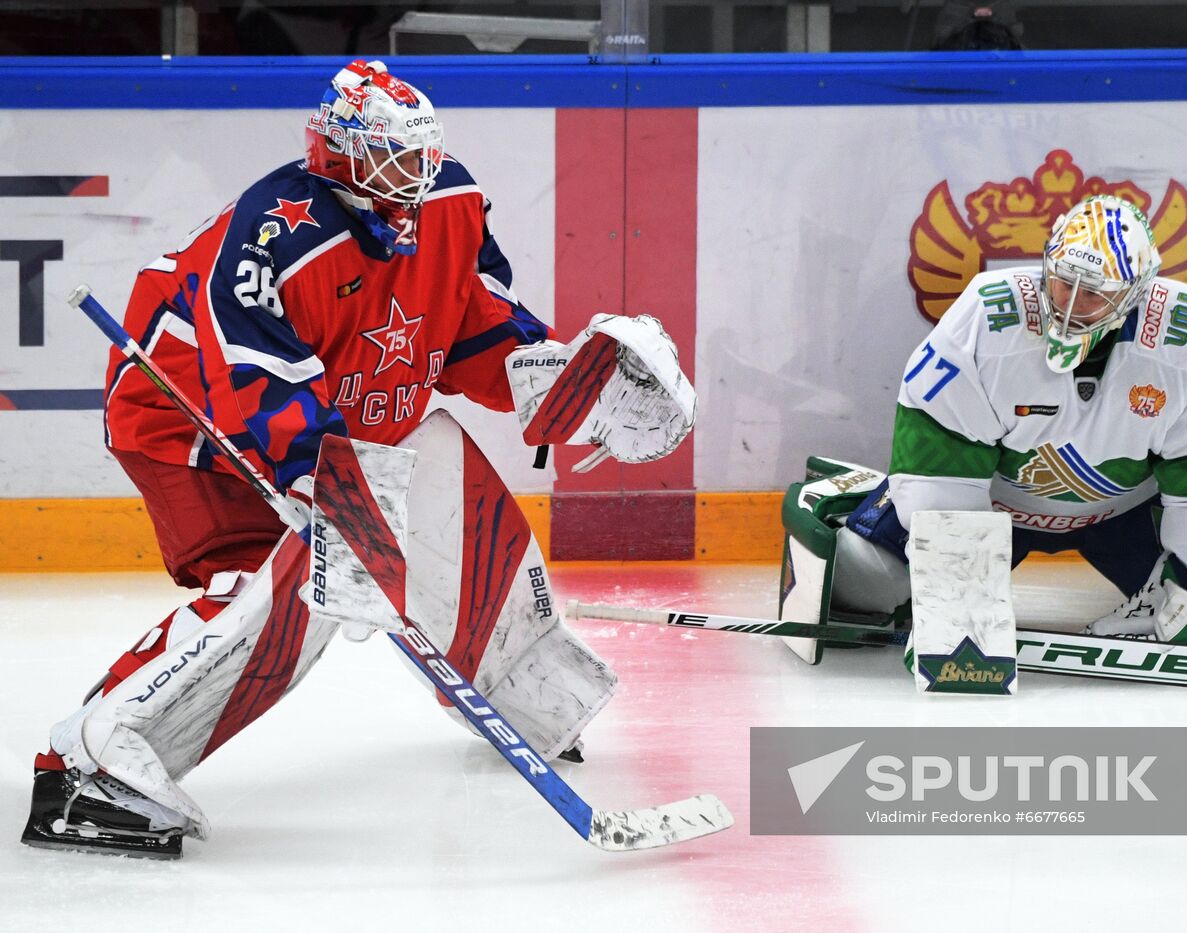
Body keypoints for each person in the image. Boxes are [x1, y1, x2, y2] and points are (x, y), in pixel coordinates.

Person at [22, 59, 692, 858]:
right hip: (193, 425)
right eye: (396, 159)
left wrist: (567, 385)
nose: (417, 174)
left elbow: (471, 327)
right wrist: (332, 494)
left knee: (441, 465)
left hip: (338, 411)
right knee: (288, 586)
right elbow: (252, 389)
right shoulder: (272, 238)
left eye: (423, 155)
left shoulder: (447, 202)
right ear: (341, 154)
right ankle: (92, 764)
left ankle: (521, 685)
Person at [779, 194, 1187, 665]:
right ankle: (844, 500)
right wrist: (954, 602)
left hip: (1127, 511)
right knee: (864, 586)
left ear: (1137, 294)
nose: (1069, 305)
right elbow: (937, 455)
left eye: (1094, 292)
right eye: (1064, 281)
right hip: (995, 504)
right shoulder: (985, 315)